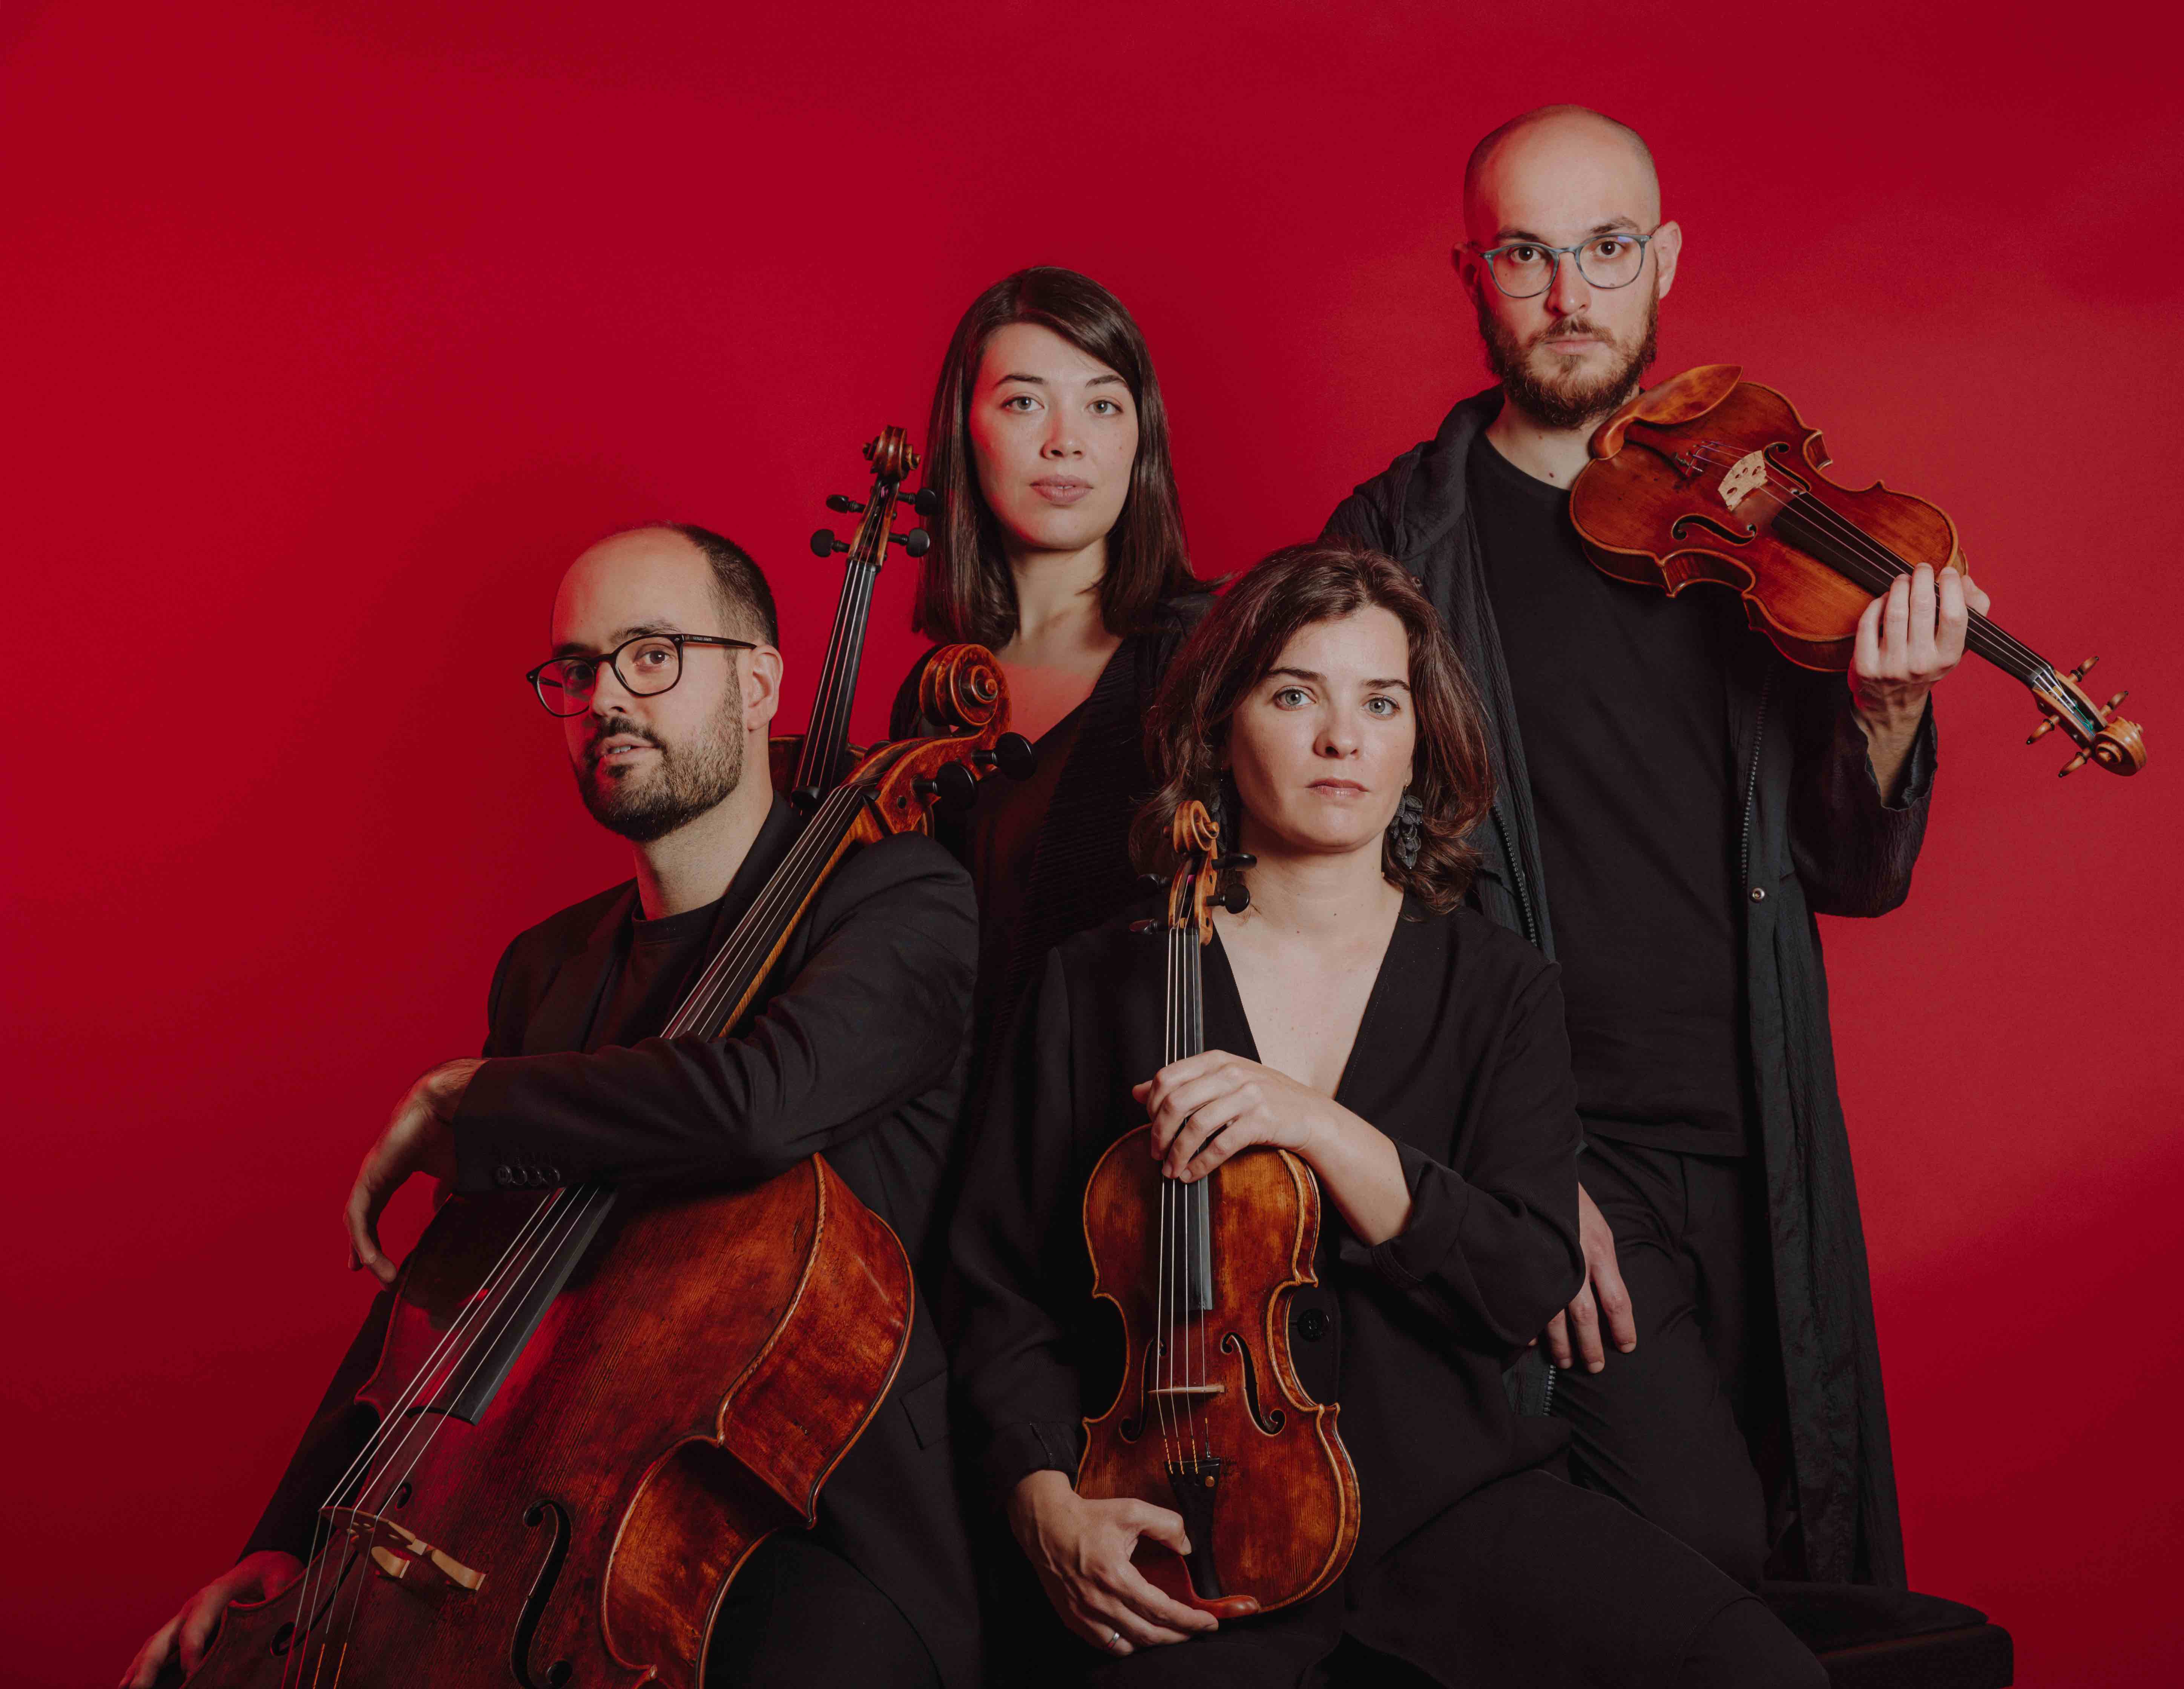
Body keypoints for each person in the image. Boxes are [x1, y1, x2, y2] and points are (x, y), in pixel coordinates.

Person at [944, 542, 1824, 1686]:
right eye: (1293, 695)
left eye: (1380, 702)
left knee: (1763, 1674)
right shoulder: (1098, 984)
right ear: (1219, 724)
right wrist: (1043, 1505)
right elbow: (998, 1291)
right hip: (1189, 1536)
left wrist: (1324, 1128)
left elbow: (1526, 1277)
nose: (1341, 738)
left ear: (1419, 741)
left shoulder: (1500, 988)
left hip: (1453, 1519)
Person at [119, 524, 981, 1689]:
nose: (606, 698)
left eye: (653, 655)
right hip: (552, 1524)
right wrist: (288, 1541)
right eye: (577, 669)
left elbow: (756, 1106)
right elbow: (448, 1288)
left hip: (807, 1540)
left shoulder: (901, 902)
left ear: (761, 683)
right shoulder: (550, 966)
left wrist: (472, 1098)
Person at [1321, 106, 1992, 1592]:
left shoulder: (1771, 522)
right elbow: (1341, 893)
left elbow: (1853, 874)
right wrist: (1510, 1168)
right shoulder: (1395, 543)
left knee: (1809, 1558)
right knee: (1689, 1554)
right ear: (1474, 275)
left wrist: (1888, 709)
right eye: (1527, 254)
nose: (1571, 295)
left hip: (1765, 1124)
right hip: (1564, 1145)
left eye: (1608, 249)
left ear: (1667, 259)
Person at [889, 267, 1212, 1074]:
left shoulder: (1204, 657)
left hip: (1134, 1106)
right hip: (961, 1115)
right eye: (1024, 402)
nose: (1065, 441)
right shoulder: (936, 695)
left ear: (1140, 439)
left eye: (1102, 406)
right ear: (965, 432)